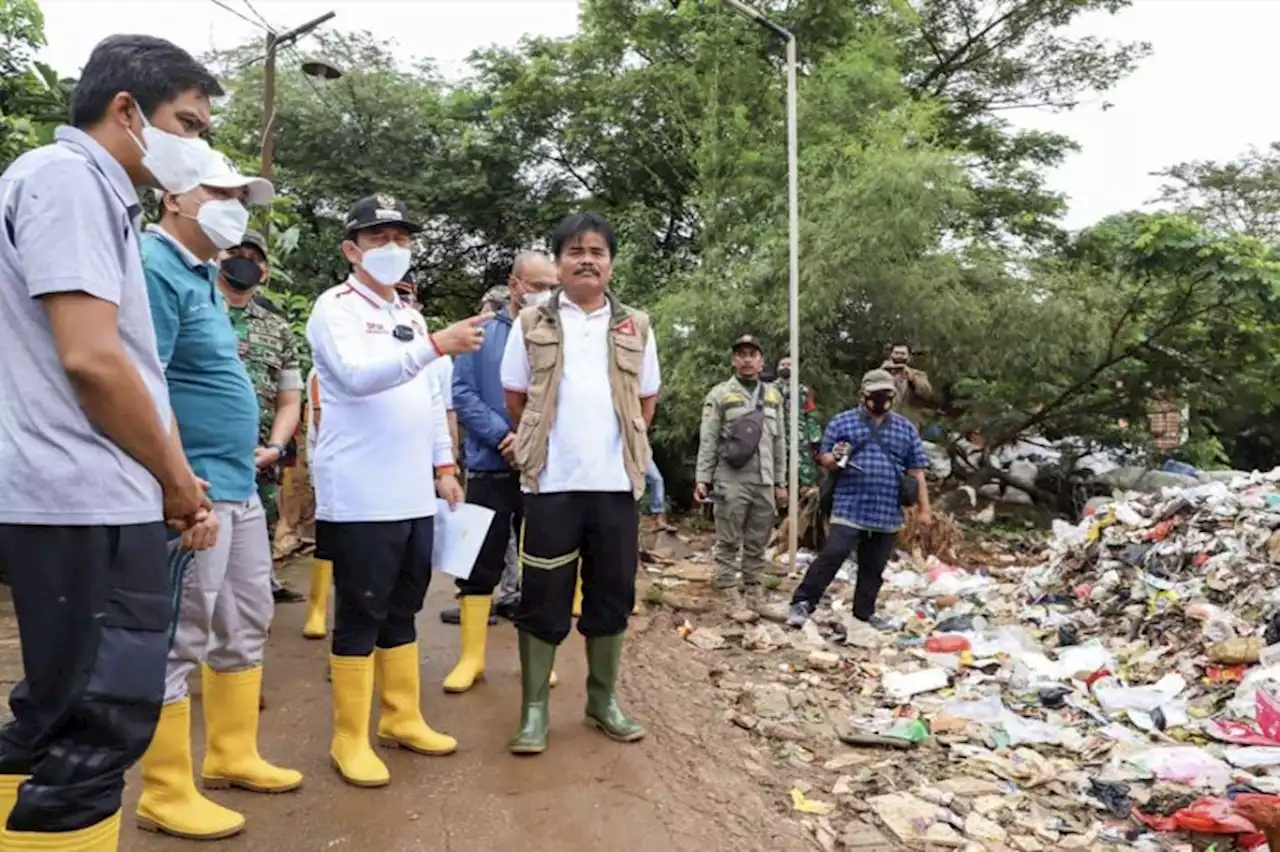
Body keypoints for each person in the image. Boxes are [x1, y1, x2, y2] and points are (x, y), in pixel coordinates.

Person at [0, 34, 219, 850]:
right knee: (92, 727)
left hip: (84, 488)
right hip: (81, 489)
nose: (196, 145)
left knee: (51, 716)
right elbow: (93, 358)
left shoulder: (81, 189)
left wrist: (171, 470)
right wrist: (172, 478)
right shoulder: (67, 180)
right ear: (127, 111)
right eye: (188, 124)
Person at [133, 146, 299, 840]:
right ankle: (165, 789)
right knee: (181, 631)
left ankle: (231, 754)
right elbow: (145, 380)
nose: (234, 205)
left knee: (247, 615)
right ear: (173, 196)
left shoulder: (199, 274)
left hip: (238, 485)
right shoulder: (151, 266)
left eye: (241, 195)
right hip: (192, 486)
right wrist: (175, 479)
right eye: (218, 191)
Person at [306, 194, 486, 788]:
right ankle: (348, 738)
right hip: (361, 493)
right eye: (380, 238)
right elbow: (357, 378)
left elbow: (431, 400)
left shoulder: (409, 316)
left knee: (404, 606)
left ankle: (401, 717)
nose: (393, 249)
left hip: (415, 493)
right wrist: (435, 346)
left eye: (402, 238)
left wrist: (444, 466)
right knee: (361, 612)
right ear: (351, 249)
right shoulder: (334, 309)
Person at [501, 211, 659, 755]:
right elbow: (516, 397)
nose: (587, 259)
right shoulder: (531, 323)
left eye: (597, 251)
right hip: (551, 484)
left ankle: (602, 700)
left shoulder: (635, 324)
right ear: (559, 262)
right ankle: (534, 711)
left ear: (611, 263)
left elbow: (646, 399)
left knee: (612, 594)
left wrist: (622, 452)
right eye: (575, 251)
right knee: (543, 595)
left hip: (615, 485)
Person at [442, 252, 558, 692]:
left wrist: (530, 442)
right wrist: (502, 437)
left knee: (543, 561)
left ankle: (537, 657)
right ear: (514, 285)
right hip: (489, 465)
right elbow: (463, 394)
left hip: (543, 470)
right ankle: (471, 658)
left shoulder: (558, 334)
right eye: (537, 284)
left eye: (552, 285)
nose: (544, 293)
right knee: (476, 561)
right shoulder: (481, 334)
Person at [786, 369, 934, 630]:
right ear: (862, 396)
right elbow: (825, 460)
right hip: (849, 503)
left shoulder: (905, 429)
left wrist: (925, 510)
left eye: (886, 394)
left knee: (874, 565)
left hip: (887, 509)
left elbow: (917, 471)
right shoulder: (842, 423)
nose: (881, 400)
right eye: (875, 395)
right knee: (833, 554)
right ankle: (802, 602)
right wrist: (834, 457)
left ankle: (864, 613)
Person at [216, 230, 306, 604]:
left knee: (249, 567)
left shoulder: (278, 328)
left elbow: (289, 399)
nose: (244, 263)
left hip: (259, 464)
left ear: (265, 271)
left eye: (254, 258)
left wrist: (275, 446)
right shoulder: (194, 310)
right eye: (235, 253)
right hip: (197, 463)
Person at [694, 335, 788, 623]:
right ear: (734, 361)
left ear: (761, 362)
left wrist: (780, 483)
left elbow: (779, 441)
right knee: (728, 539)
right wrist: (703, 478)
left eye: (753, 354)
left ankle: (755, 594)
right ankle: (728, 595)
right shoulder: (721, 394)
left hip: (764, 480)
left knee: (758, 541)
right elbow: (708, 438)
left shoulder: (773, 396)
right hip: (730, 480)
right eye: (741, 354)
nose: (747, 359)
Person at [301, 367, 332, 641]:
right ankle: (317, 608)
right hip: (331, 458)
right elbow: (324, 421)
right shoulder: (321, 370)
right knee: (328, 535)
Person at [881, 341, 934, 427]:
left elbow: (927, 394)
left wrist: (912, 378)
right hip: (884, 421)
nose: (899, 356)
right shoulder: (881, 373)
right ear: (891, 355)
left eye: (903, 354)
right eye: (896, 353)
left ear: (908, 356)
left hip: (908, 422)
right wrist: (882, 372)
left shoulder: (919, 374)